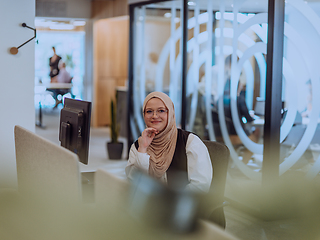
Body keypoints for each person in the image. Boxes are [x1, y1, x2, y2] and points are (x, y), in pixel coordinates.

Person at [125, 91, 213, 193]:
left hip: (182, 205)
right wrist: (143, 149)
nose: (154, 116)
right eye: (149, 111)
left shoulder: (190, 142)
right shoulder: (138, 146)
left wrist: (171, 205)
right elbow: (134, 185)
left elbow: (200, 186)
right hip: (149, 206)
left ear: (171, 113)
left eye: (161, 110)